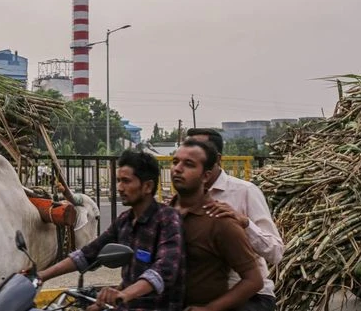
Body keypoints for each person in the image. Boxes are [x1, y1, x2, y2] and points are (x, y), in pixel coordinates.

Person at [37, 149, 185, 311]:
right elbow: (88, 253)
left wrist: (124, 294)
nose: (120, 187)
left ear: (147, 186)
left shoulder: (167, 218)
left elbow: (163, 270)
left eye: (126, 181)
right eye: (119, 181)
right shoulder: (124, 221)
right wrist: (42, 275)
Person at [186, 128, 283, 311]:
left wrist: (245, 223)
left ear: (217, 159)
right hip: (199, 294)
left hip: (249, 296)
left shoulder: (245, 192)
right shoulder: (181, 200)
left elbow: (276, 252)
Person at [170, 140, 262, 311]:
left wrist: (210, 309)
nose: (178, 169)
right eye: (175, 162)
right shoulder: (162, 217)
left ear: (206, 176)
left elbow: (253, 280)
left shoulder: (220, 221)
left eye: (188, 164)